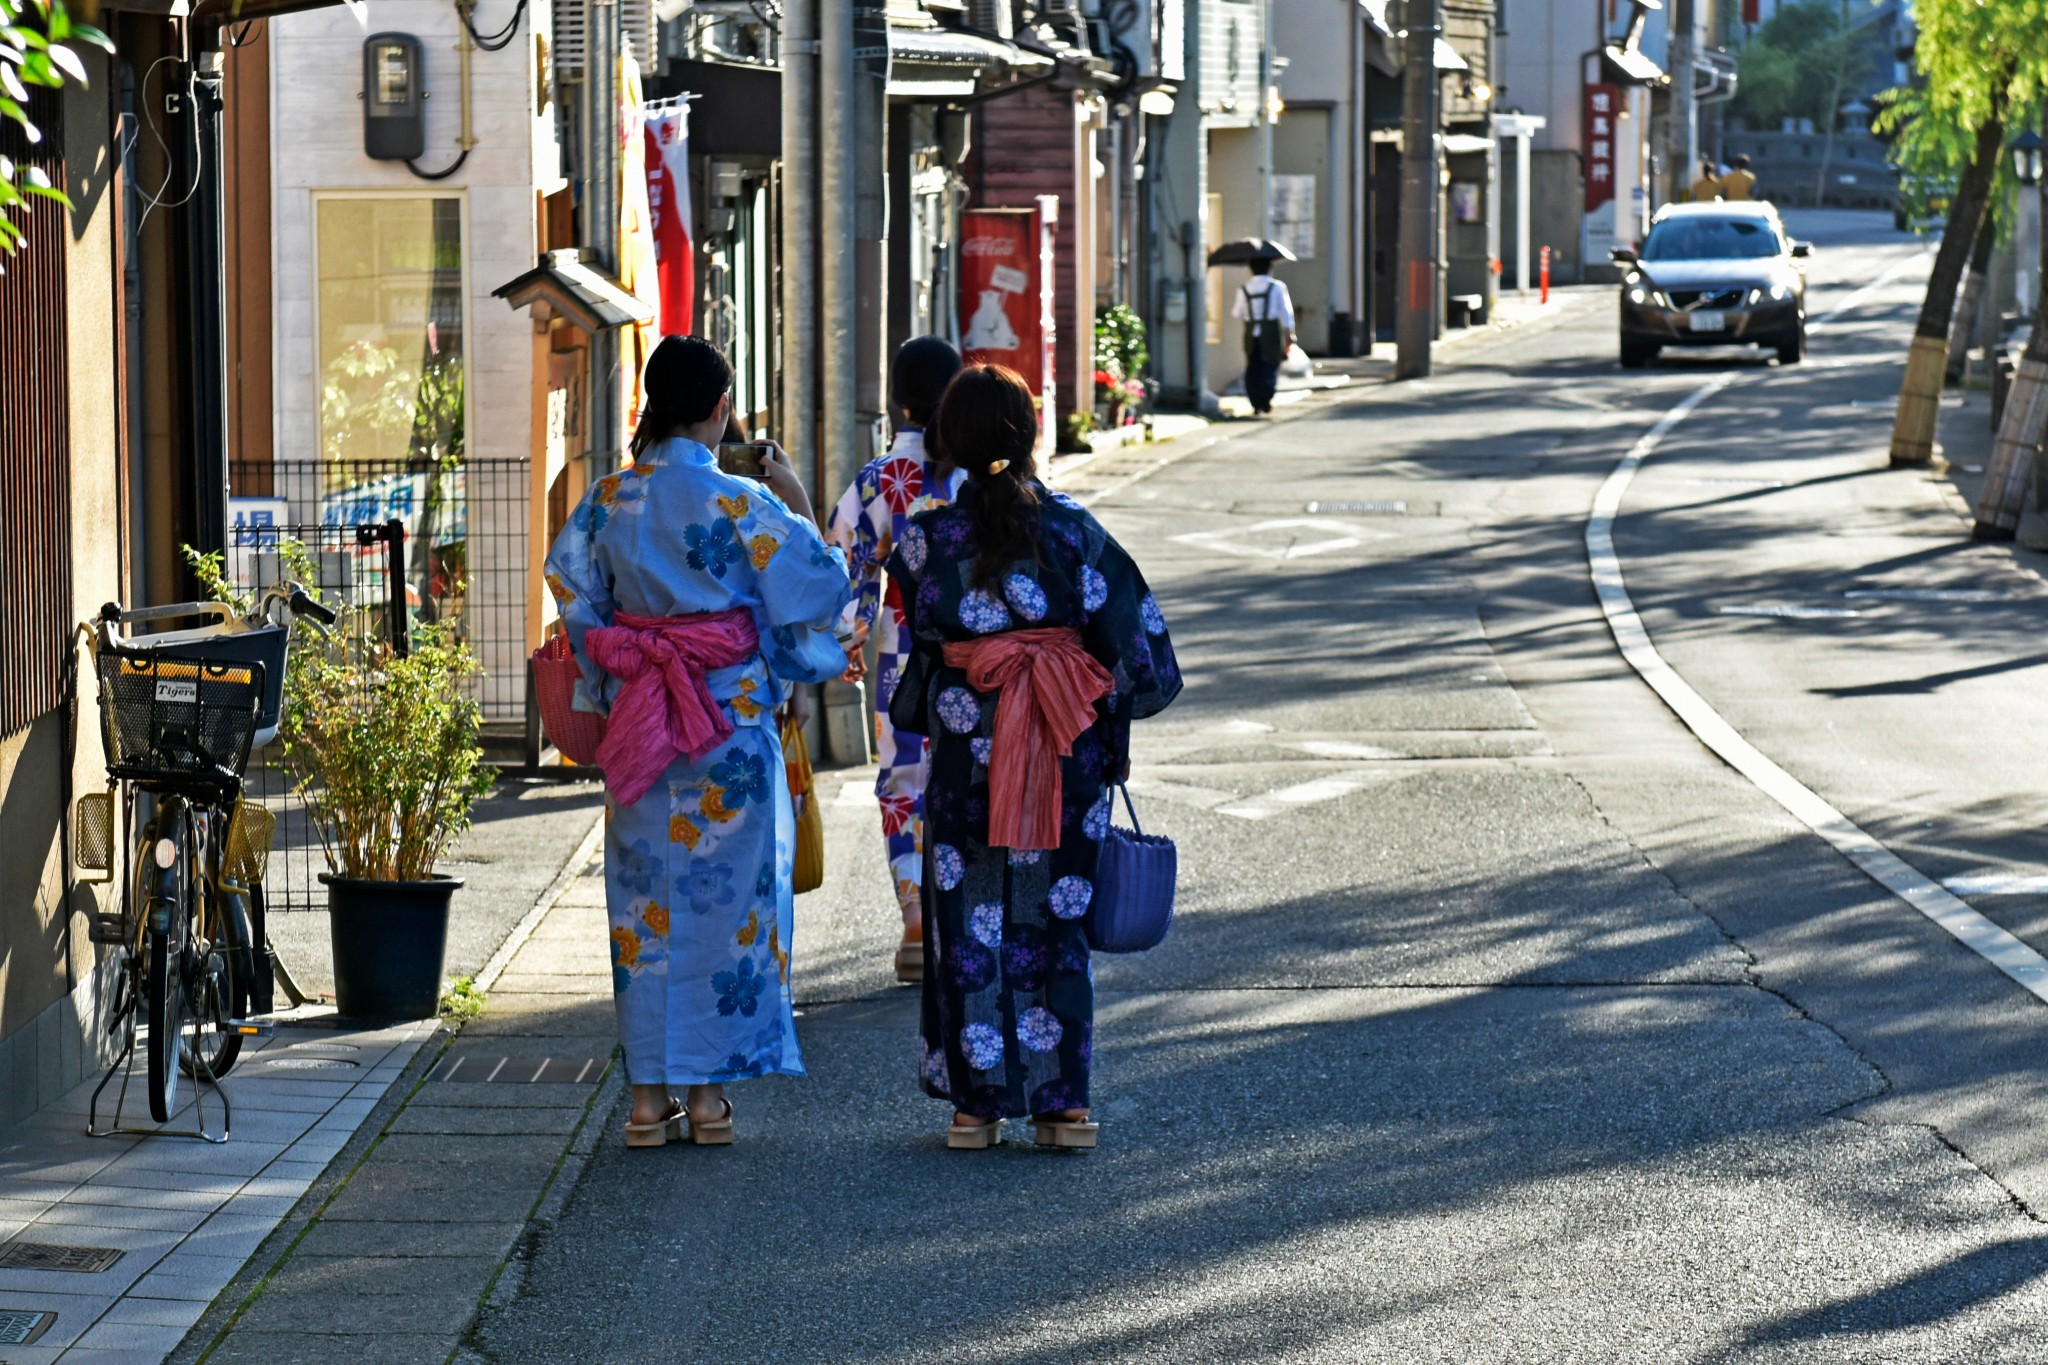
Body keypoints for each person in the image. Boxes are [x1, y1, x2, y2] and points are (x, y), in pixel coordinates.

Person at [544, 336, 852, 1149]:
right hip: (728, 731)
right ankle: (709, 1099)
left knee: (644, 911)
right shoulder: (745, 505)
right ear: (720, 408)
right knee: (727, 909)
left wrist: (610, 675)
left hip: (643, 725)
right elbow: (819, 584)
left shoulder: (611, 500)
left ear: (652, 403)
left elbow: (574, 593)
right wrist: (792, 491)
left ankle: (648, 1100)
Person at [884, 363, 1182, 1151]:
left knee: (966, 919)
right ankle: (1063, 1105)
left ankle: (974, 1106)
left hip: (966, 760)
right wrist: (1106, 734)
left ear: (946, 439)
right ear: (1030, 436)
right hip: (1059, 746)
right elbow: (1137, 650)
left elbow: (914, 652)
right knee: (1057, 921)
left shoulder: (922, 543)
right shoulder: (1075, 531)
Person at [824, 336, 967, 984]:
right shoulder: (973, 476)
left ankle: (914, 919)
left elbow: (844, 554)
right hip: (973, 651)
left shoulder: (879, 477)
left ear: (896, 401)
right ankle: (961, 921)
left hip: (897, 648)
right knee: (966, 776)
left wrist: (850, 636)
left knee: (903, 781)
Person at [1231, 256, 1296, 415]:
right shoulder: (1277, 287)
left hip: (1251, 331)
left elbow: (1236, 312)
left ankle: (1255, 401)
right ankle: (1265, 398)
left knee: (1253, 365)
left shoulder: (1244, 288)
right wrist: (1290, 334)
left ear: (1250, 269)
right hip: (1271, 330)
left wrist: (1250, 318)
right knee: (1270, 364)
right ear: (1269, 268)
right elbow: (1286, 313)